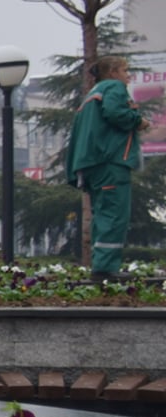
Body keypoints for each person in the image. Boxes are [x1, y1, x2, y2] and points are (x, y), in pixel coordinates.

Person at [65, 54, 143, 277]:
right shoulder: (113, 88)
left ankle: (102, 264)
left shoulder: (91, 95)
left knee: (102, 213)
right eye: (125, 71)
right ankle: (106, 268)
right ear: (113, 73)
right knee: (114, 213)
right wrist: (138, 120)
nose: (128, 76)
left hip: (90, 164)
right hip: (110, 161)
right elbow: (116, 113)